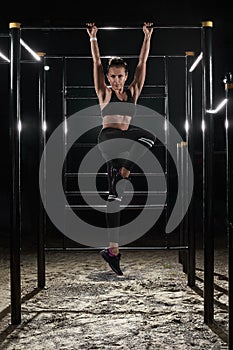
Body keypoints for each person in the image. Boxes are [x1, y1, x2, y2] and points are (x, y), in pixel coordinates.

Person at [87, 22, 155, 276]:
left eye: (120, 76)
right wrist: (94, 39)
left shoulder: (133, 91)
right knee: (115, 193)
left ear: (126, 77)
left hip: (125, 144)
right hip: (108, 139)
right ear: (108, 77)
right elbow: (96, 64)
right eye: (113, 76)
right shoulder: (104, 93)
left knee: (114, 199)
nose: (116, 80)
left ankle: (112, 252)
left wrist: (147, 37)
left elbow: (142, 64)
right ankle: (124, 172)